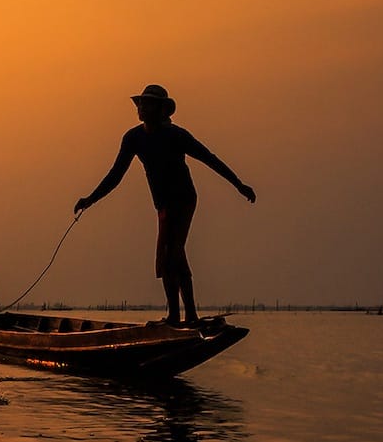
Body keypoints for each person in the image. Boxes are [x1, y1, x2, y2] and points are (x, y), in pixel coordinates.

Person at [74, 84, 255, 327]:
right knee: (172, 256)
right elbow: (115, 176)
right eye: (140, 104)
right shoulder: (133, 138)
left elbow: (210, 159)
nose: (141, 108)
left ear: (161, 110)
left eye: (147, 104)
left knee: (171, 253)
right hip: (163, 205)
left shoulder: (177, 136)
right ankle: (186, 315)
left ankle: (180, 317)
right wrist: (90, 200)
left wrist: (238, 184)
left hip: (183, 199)